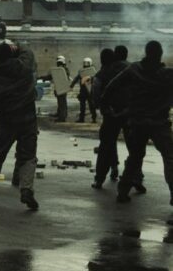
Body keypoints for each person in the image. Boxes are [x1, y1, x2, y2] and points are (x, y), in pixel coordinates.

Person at [102, 41, 173, 205]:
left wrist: (106, 107)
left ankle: (123, 190)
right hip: (159, 123)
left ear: (146, 52)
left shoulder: (134, 70)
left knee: (135, 156)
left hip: (137, 121)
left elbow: (111, 87)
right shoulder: (167, 74)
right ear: (160, 54)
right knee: (169, 157)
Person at [0, 42, 39, 210]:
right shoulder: (27, 71)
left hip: (6, 123)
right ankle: (26, 189)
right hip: (28, 121)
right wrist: (18, 45)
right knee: (28, 157)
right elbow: (28, 53)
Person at [91, 48, 127, 189]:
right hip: (128, 112)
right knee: (134, 147)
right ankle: (136, 175)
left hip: (111, 114)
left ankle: (100, 178)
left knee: (106, 145)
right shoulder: (130, 68)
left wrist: (101, 107)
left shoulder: (103, 73)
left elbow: (96, 92)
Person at [71, 57, 97, 123]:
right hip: (83, 91)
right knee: (83, 106)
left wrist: (72, 85)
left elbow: (95, 79)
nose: (85, 64)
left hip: (90, 90)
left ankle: (93, 118)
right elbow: (76, 78)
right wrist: (72, 85)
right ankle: (82, 118)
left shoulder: (92, 71)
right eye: (85, 63)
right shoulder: (82, 71)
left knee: (91, 106)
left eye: (87, 63)